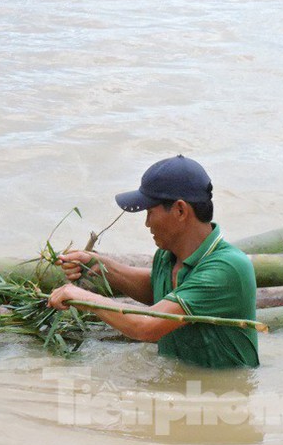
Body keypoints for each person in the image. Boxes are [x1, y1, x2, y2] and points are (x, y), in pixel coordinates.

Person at [48, 155, 259, 368]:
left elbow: (146, 326)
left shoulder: (226, 269)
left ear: (180, 210)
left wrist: (83, 297)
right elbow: (159, 291)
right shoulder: (168, 256)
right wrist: (100, 266)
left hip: (219, 396)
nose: (147, 223)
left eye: (150, 212)